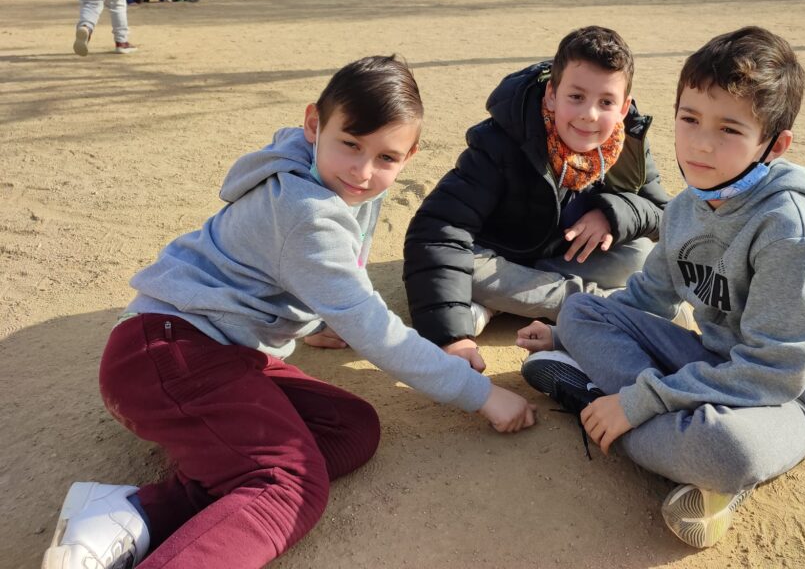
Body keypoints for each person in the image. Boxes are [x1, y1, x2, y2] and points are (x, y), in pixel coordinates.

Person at [41, 55, 536, 569]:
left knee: (349, 429)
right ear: (314, 124)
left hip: (216, 349)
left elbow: (299, 266)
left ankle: (130, 514)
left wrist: (318, 317)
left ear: (408, 156)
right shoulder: (306, 213)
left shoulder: (320, 171)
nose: (363, 171)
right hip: (167, 354)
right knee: (289, 486)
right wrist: (479, 394)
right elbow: (374, 329)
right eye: (351, 144)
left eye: (386, 157)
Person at [516, 26, 805, 550]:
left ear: (774, 144)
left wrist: (641, 400)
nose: (701, 143)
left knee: (728, 451)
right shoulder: (685, 208)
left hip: (793, 399)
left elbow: (775, 373)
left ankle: (595, 398)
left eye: (730, 129)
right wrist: (566, 333)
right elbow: (646, 298)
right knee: (581, 310)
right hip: (712, 364)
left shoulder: (790, 233)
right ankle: (652, 429)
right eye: (690, 119)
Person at [399, 26, 669, 373]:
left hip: (561, 257)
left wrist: (612, 213)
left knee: (639, 255)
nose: (589, 114)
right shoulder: (501, 140)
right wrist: (451, 338)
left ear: (624, 107)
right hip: (495, 257)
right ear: (552, 95)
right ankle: (595, 306)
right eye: (576, 97)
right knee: (465, 266)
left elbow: (662, 214)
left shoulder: (628, 143)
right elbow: (436, 229)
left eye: (606, 102)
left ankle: (500, 303)